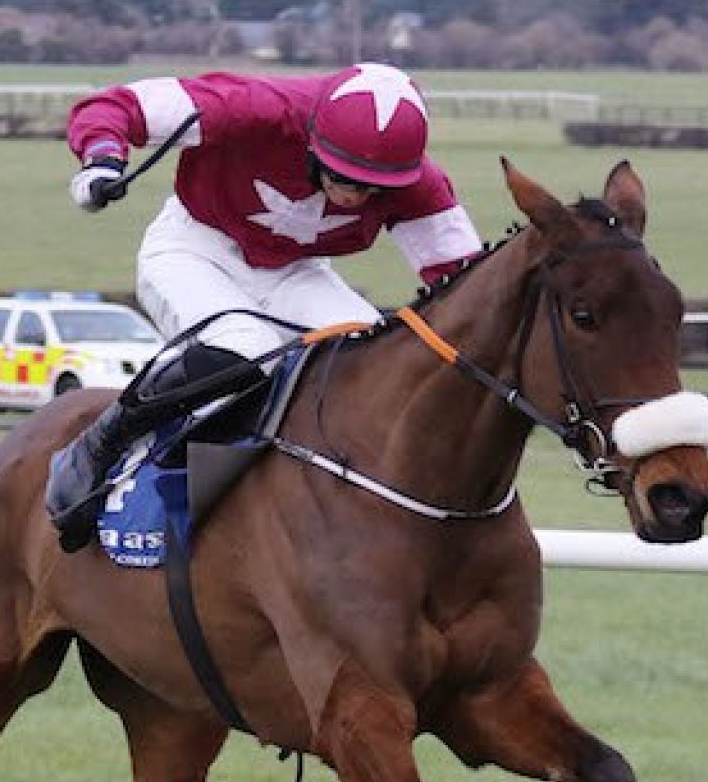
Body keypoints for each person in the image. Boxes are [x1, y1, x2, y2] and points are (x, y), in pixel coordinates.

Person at [44, 62, 487, 552]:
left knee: (369, 354)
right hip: (194, 248)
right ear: (314, 140)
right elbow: (113, 107)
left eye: (373, 188)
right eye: (343, 177)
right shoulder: (252, 106)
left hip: (295, 271)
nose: (355, 196)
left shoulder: (418, 184)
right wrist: (102, 158)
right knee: (246, 346)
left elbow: (467, 283)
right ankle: (101, 443)